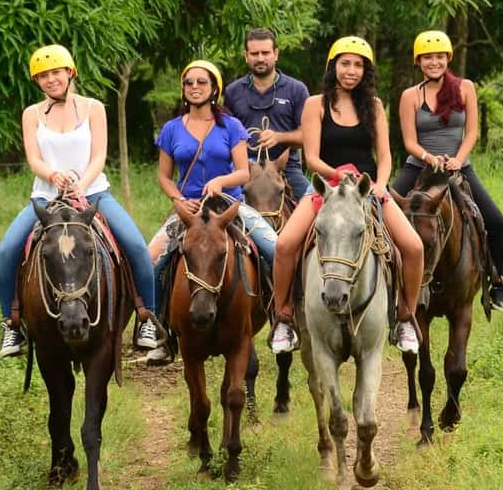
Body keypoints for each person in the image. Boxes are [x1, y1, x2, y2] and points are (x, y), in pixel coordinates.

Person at [0, 44, 158, 357]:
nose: (50, 79)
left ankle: (147, 318)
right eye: (43, 76)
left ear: (70, 73)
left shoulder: (93, 107)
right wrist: (54, 177)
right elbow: (34, 160)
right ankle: (11, 326)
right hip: (46, 196)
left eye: (56, 72)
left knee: (136, 245)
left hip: (93, 192)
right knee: (7, 249)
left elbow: (99, 155)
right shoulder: (32, 114)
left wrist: (81, 186)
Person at [269, 36, 425, 354]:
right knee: (285, 244)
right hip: (327, 189)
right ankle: (284, 318)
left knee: (413, 246)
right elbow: (311, 158)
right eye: (345, 64)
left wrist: (381, 184)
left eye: (358, 65)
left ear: (365, 71)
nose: (351, 71)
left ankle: (406, 317)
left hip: (367, 190)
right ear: (333, 67)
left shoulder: (375, 106)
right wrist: (338, 175)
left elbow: (385, 158)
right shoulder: (316, 105)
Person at [146, 59, 279, 363]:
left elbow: (244, 172)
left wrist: (221, 180)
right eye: (189, 82)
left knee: (275, 249)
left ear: (214, 88)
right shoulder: (171, 129)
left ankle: (282, 319)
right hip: (188, 209)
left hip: (229, 207)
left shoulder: (231, 127)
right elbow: (164, 176)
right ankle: (159, 331)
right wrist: (179, 198)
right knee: (150, 260)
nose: (194, 87)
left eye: (201, 82)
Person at [392, 30, 503, 311]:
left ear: (448, 58)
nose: (434, 62)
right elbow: (409, 141)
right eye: (428, 57)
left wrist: (458, 159)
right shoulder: (410, 96)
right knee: (385, 213)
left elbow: (472, 132)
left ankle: (497, 283)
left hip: (459, 167)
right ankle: (390, 283)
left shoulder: (465, 87)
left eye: (439, 57)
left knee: (496, 221)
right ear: (418, 61)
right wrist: (428, 156)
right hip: (419, 167)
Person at [223, 28, 312, 197]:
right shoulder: (232, 91)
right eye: (254, 53)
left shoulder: (296, 89)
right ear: (246, 56)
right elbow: (226, 138)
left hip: (287, 170)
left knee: (317, 209)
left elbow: (308, 137)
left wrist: (279, 137)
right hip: (244, 170)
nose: (260, 58)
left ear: (276, 54)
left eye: (265, 52)